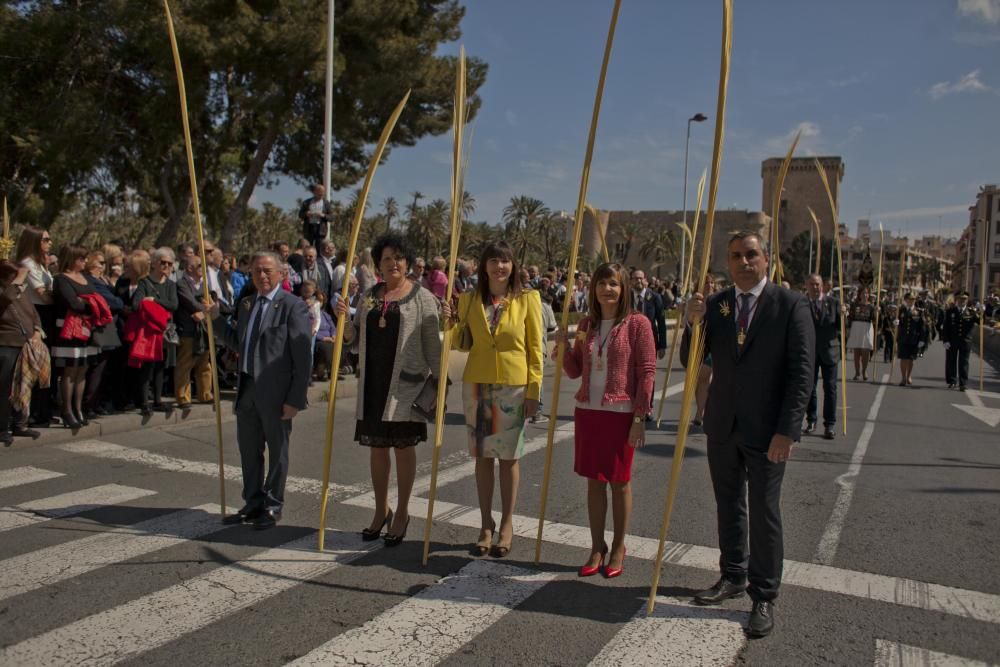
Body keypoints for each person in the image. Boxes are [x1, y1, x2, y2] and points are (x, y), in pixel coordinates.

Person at [682, 231, 814, 637]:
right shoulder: (718, 305)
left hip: (767, 431)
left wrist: (787, 432)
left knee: (764, 511)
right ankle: (732, 575)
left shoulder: (790, 304)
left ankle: (763, 594)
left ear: (766, 259)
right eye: (736, 255)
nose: (743, 262)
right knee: (728, 504)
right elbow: (695, 358)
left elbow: (802, 373)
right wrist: (692, 324)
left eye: (751, 255)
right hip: (722, 424)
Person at [336, 233, 441, 546]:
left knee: (403, 449)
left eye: (398, 257)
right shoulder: (368, 296)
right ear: (378, 264)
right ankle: (381, 508)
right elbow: (354, 341)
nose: (393, 263)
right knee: (377, 449)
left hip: (406, 387)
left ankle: (403, 512)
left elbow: (434, 348)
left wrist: (439, 385)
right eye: (386, 258)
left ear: (407, 263)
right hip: (374, 384)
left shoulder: (423, 298)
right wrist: (345, 324)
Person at [442, 241, 543, 559]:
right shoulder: (469, 300)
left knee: (509, 458)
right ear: (483, 267)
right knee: (483, 457)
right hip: (478, 383)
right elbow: (463, 342)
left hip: (513, 385)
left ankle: (507, 524)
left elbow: (535, 348)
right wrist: (452, 322)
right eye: (494, 261)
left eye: (506, 261)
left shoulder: (528, 299)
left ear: (513, 267)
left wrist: (533, 392)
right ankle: (485, 524)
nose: (500, 266)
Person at [556, 262, 654, 579]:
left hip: (622, 414)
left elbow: (647, 372)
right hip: (589, 412)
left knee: (620, 482)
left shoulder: (638, 324)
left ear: (623, 288)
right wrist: (561, 347)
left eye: (612, 283)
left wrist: (640, 415)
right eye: (600, 283)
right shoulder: (586, 324)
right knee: (594, 483)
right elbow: (574, 370)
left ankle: (619, 546)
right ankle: (596, 546)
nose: (606, 289)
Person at [211, 251, 312, 529]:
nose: (262, 276)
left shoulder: (293, 306)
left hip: (277, 393)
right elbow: (237, 343)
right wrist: (216, 319)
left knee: (278, 452)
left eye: (268, 271)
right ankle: (253, 502)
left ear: (281, 274)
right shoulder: (246, 305)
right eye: (257, 271)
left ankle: (272, 504)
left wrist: (295, 398)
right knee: (248, 450)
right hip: (247, 389)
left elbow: (303, 357)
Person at [52, 245, 103, 429]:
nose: (84, 261)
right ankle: (67, 410)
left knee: (82, 369)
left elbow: (95, 298)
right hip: (67, 329)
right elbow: (74, 303)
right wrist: (88, 303)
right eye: (80, 258)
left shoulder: (86, 278)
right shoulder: (61, 279)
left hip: (86, 328)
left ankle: (78, 407)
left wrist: (88, 303)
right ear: (71, 259)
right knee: (70, 371)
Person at [0, 261, 46, 444]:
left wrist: (37, 331)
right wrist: (17, 280)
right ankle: (2, 428)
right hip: (7, 345)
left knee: (23, 387)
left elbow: (34, 314)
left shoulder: (22, 291)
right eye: (16, 276)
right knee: (5, 389)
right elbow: (4, 300)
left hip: (26, 344)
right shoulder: (7, 291)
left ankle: (20, 424)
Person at [15, 226, 55, 427]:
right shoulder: (28, 264)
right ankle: (30, 413)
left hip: (46, 315)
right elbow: (43, 295)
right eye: (45, 239)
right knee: (35, 363)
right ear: (34, 241)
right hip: (36, 314)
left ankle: (44, 409)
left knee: (46, 366)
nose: (49, 243)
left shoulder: (42, 265)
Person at [132, 247, 179, 416]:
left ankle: (158, 400)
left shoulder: (171, 285)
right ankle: (144, 402)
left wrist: (154, 300)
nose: (166, 266)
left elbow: (174, 305)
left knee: (161, 366)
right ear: (155, 263)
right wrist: (152, 303)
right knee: (147, 367)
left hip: (164, 332)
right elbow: (136, 304)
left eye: (169, 263)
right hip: (149, 333)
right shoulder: (144, 282)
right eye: (163, 262)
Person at [83, 251, 124, 418]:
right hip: (100, 328)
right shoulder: (92, 281)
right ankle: (89, 404)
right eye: (100, 263)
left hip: (107, 327)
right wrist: (119, 302)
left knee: (104, 368)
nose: (102, 266)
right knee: (97, 368)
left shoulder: (102, 280)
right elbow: (114, 301)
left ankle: (96, 403)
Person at [804, 273, 844, 440]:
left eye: (818, 284)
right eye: (812, 284)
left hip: (829, 351)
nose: (815, 287)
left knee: (830, 388)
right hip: (810, 352)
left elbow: (841, 328)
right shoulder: (802, 304)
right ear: (807, 286)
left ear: (823, 286)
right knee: (809, 388)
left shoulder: (833, 303)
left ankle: (830, 424)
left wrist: (843, 315)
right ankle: (811, 420)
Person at [174, 255, 212, 409]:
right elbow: (191, 303)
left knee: (204, 363)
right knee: (185, 364)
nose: (203, 269)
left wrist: (205, 313)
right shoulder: (181, 284)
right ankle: (183, 397)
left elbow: (213, 302)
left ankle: (205, 394)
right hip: (188, 330)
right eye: (199, 265)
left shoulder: (204, 284)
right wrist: (208, 309)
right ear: (189, 268)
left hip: (203, 329)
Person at [941, 291, 981, 391]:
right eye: (960, 298)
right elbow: (946, 327)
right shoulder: (951, 311)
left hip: (965, 341)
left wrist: (981, 312)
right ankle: (952, 381)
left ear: (967, 300)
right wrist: (945, 340)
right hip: (952, 340)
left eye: (964, 299)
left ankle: (963, 383)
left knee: (964, 362)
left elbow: (980, 322)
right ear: (957, 299)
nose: (962, 301)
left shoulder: (971, 312)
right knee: (951, 361)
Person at [896, 293, 927, 387]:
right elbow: (898, 321)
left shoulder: (918, 311)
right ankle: (903, 378)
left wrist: (922, 339)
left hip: (914, 338)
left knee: (910, 359)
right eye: (909, 299)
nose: (911, 301)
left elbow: (922, 326)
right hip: (903, 337)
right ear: (905, 300)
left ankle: (909, 375)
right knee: (903, 358)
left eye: (913, 299)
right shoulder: (900, 310)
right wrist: (896, 322)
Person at [846, 287, 876, 381]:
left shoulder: (871, 306)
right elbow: (850, 317)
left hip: (866, 328)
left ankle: (864, 371)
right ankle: (857, 372)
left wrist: (877, 312)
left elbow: (874, 319)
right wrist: (848, 328)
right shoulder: (854, 305)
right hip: (856, 327)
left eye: (866, 293)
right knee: (857, 352)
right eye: (863, 293)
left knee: (865, 351)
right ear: (859, 294)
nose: (865, 295)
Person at [298, 184, 331, 248]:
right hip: (309, 228)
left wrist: (323, 215)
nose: (322, 193)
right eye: (320, 191)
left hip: (320, 230)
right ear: (315, 192)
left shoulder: (326, 203)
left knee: (320, 248)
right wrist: (306, 214)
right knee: (307, 247)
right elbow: (300, 214)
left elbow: (331, 217)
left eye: (323, 192)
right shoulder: (307, 202)